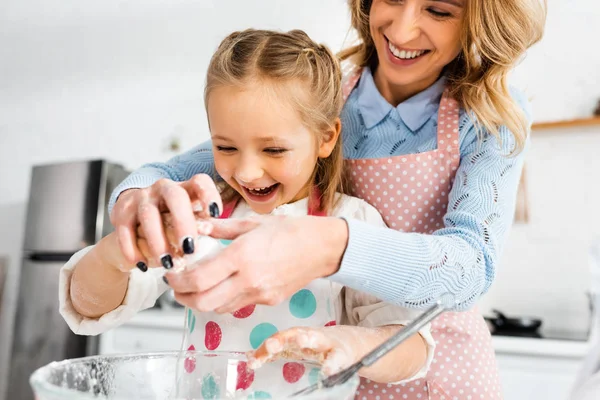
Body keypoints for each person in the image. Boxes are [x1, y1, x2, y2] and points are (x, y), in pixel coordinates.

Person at [103, 0, 547, 398]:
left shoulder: (490, 113)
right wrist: (133, 204)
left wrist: (329, 246)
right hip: (325, 369)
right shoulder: (326, 95)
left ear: (480, 19)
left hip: (439, 370)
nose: (404, 29)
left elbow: (471, 267)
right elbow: (169, 173)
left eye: (440, 11)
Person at [60, 29, 435, 396]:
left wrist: (348, 345)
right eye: (225, 147)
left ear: (326, 137)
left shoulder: (351, 222)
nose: (245, 172)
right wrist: (118, 254)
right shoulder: (200, 220)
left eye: (273, 150)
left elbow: (412, 343)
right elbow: (87, 304)